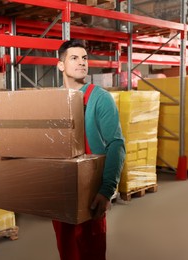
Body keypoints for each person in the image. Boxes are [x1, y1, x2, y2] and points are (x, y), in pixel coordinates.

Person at [52, 39, 126, 260]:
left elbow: (116, 144)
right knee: (66, 250)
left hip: (90, 190)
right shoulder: (54, 99)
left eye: (84, 58)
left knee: (90, 251)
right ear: (61, 65)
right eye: (74, 58)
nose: (82, 63)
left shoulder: (99, 98)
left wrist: (106, 190)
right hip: (62, 190)